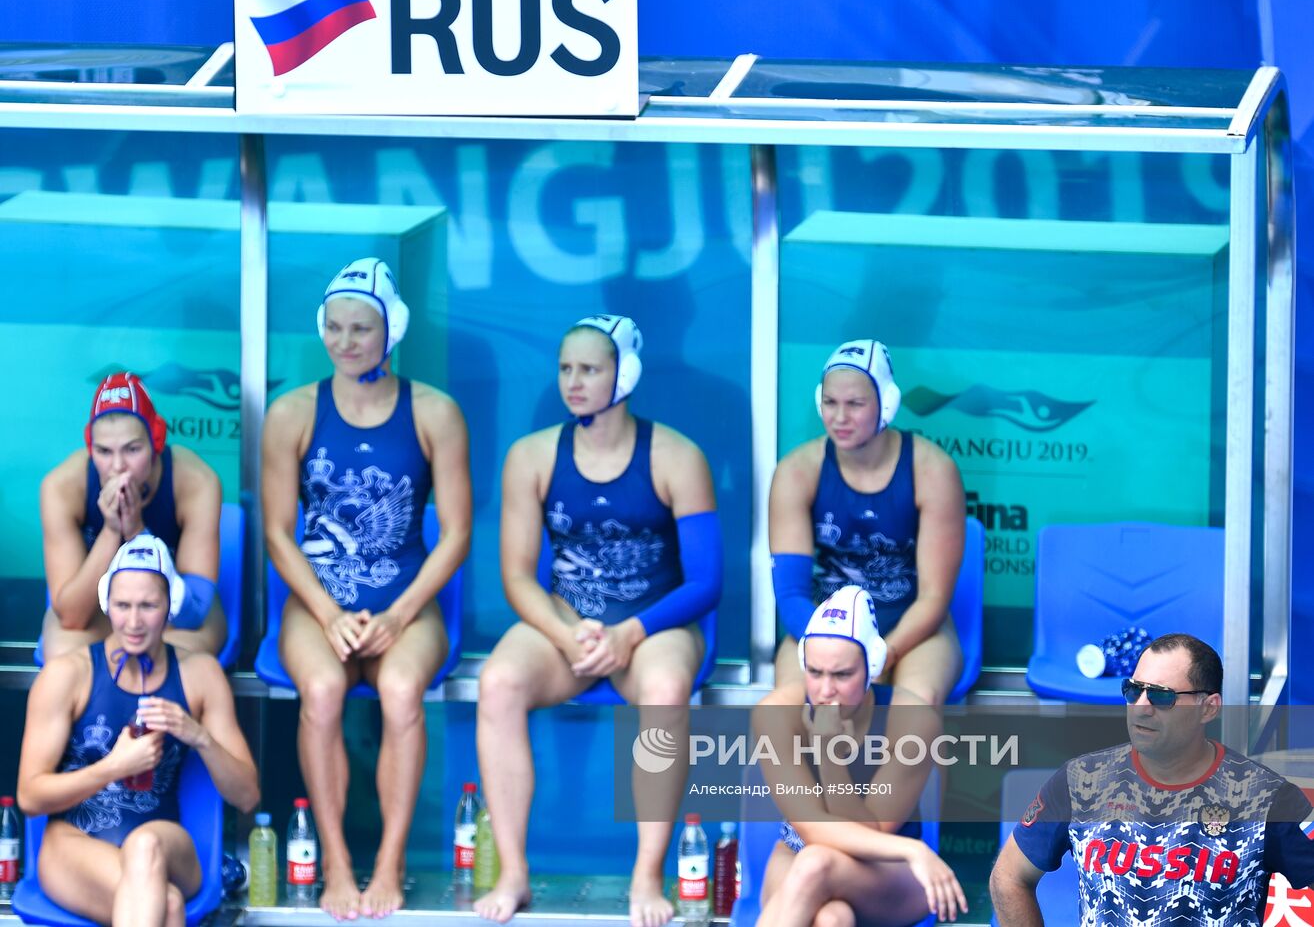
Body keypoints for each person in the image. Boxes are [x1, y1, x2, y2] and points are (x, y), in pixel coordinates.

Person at [475, 314, 722, 927]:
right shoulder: (531, 457)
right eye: (565, 369)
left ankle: (646, 877)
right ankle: (514, 872)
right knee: (498, 682)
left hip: (656, 628)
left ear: (626, 373)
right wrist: (568, 635)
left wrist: (630, 634)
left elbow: (707, 582)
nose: (574, 382)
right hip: (569, 628)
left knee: (665, 691)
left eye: (589, 369)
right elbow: (516, 577)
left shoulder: (677, 457)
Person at [262, 257, 472, 921]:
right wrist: (327, 615)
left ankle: (389, 862)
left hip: (406, 603)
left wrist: (399, 614)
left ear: (393, 331)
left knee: (401, 691)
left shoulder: (435, 412)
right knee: (322, 693)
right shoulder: (292, 413)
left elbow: (458, 534)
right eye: (334, 327)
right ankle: (338, 862)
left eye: (361, 329)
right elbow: (276, 533)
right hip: (317, 603)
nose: (346, 342)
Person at [17, 534, 260, 927]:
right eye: (122, 606)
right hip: (73, 846)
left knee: (144, 847)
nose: (133, 622)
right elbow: (30, 796)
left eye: (148, 606)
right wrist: (112, 767)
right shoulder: (67, 676)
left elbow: (247, 796)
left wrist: (199, 735)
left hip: (164, 842)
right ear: (106, 606)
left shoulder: (199, 676)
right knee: (164, 906)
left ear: (171, 608)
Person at [990, 633, 1314, 926]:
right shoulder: (1079, 781)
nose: (1141, 707)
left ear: (1209, 708)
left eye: (1161, 697)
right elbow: (1008, 877)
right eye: (1133, 691)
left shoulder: (1268, 797)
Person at [753, 585, 967, 927]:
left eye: (842, 674)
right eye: (815, 672)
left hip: (887, 874)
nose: (825, 691)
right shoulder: (776, 712)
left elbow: (869, 830)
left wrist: (828, 753)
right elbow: (810, 828)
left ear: (873, 666)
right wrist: (914, 850)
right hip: (800, 860)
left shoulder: (912, 719)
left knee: (817, 863)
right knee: (833, 918)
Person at [770, 340, 964, 705]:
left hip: (911, 629)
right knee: (789, 705)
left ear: (886, 403)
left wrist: (882, 654)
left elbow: (934, 598)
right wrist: (833, 652)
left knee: (914, 704)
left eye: (855, 404)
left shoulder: (932, 471)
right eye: (830, 403)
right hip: (821, 626)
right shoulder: (797, 472)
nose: (839, 418)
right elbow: (790, 594)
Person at [40, 371, 226, 660]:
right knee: (63, 652)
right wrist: (112, 532)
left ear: (156, 441)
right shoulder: (62, 487)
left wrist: (137, 532)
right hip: (101, 607)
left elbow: (193, 614)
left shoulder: (196, 483)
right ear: (90, 447)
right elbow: (72, 617)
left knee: (183, 656)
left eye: (132, 449)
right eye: (103, 451)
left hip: (171, 613)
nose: (117, 466)